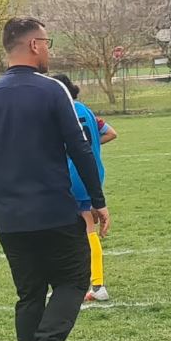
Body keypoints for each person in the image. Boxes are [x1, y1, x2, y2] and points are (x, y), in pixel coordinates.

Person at [0, 17, 110, 341]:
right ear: (33, 45)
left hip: (9, 218)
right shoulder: (52, 90)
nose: (48, 49)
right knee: (74, 280)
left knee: (30, 294)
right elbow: (80, 148)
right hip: (53, 211)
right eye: (47, 42)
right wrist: (98, 201)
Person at [52, 74, 117, 302]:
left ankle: (77, 284)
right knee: (87, 227)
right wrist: (91, 146)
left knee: (62, 232)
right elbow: (111, 133)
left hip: (70, 177)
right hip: (92, 175)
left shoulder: (58, 114)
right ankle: (96, 285)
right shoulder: (86, 111)